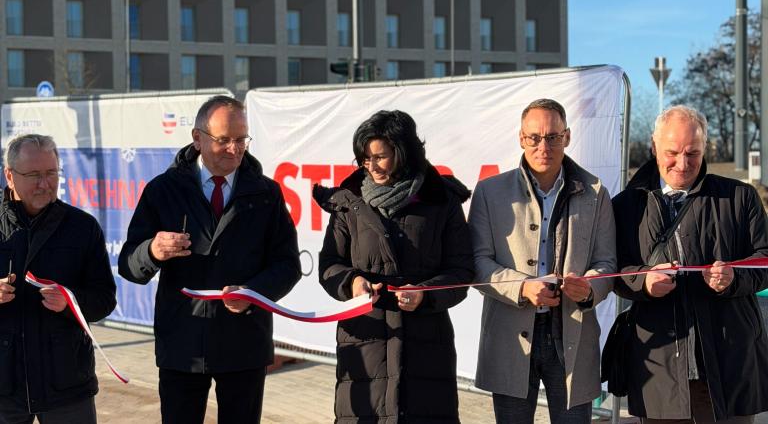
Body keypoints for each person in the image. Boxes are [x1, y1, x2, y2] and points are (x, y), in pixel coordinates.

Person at [118, 95, 301, 424]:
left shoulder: (266, 194)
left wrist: (252, 292)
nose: (235, 148)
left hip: (244, 344)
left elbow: (288, 265)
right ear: (197, 138)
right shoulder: (163, 190)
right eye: (224, 140)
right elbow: (128, 264)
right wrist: (152, 252)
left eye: (241, 139)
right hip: (183, 346)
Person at [313, 110, 474, 423]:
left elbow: (462, 271)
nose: (371, 167)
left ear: (404, 153)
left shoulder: (441, 199)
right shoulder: (349, 201)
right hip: (364, 335)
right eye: (364, 159)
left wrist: (425, 294)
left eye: (380, 157)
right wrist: (353, 284)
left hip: (427, 340)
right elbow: (330, 264)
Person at [612, 105, 768, 423]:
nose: (683, 164)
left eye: (692, 153)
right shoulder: (626, 205)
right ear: (654, 147)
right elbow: (613, 271)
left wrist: (734, 276)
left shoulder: (740, 196)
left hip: (729, 361)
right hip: (659, 366)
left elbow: (764, 260)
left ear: (704, 148)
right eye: (672, 152)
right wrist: (643, 281)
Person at [468, 98, 616, 423]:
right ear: (521, 138)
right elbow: (478, 264)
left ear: (567, 137)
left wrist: (589, 288)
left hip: (571, 337)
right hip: (510, 337)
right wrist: (522, 288)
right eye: (534, 137)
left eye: (552, 137)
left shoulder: (596, 192)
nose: (543, 146)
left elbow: (607, 263)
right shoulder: (490, 192)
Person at [0, 134, 116, 423]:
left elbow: (104, 299)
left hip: (67, 385)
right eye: (34, 175)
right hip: (3, 386)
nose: (45, 183)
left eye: (51, 173)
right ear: (9, 176)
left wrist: (70, 302)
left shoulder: (82, 227)